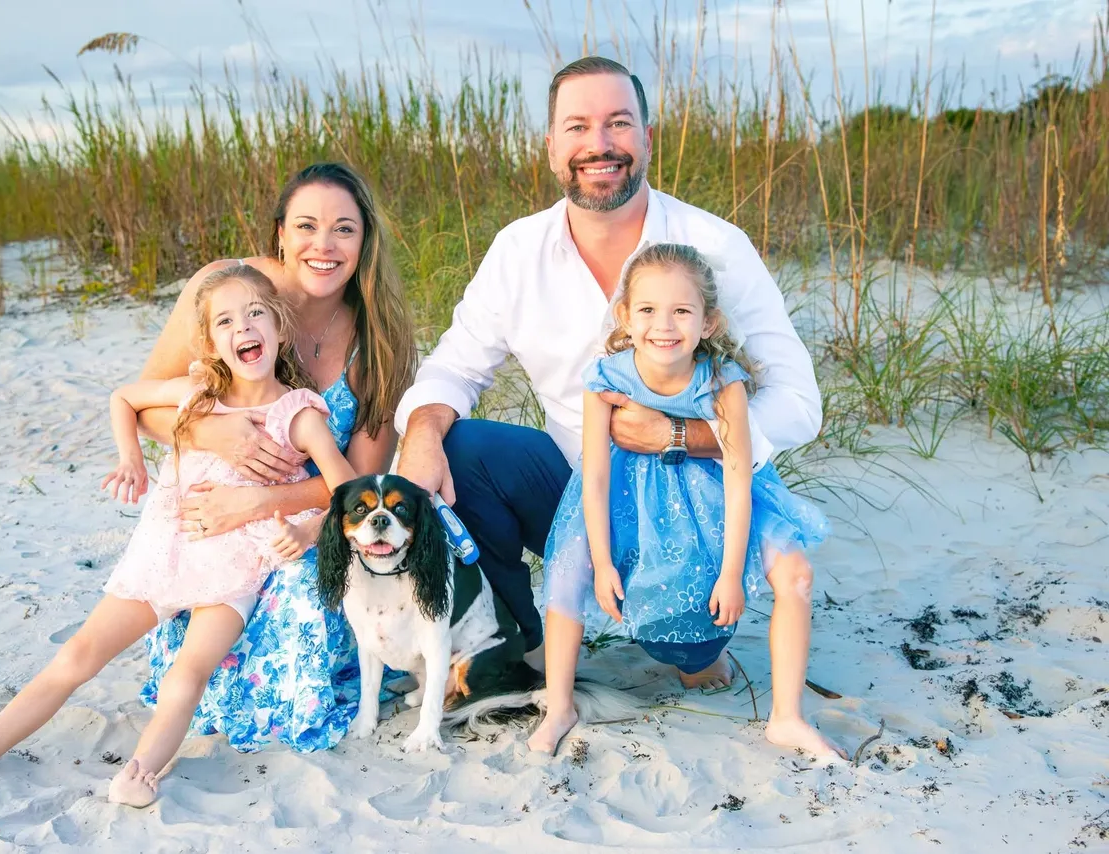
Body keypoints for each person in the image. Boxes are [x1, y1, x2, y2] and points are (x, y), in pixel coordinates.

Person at [394, 57, 833, 754]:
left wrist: (682, 434)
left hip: (692, 507)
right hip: (575, 495)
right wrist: (421, 430)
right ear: (551, 146)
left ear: (647, 137)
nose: (600, 143)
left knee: (683, 655)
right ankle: (526, 645)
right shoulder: (518, 250)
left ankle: (694, 649)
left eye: (618, 123)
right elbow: (454, 364)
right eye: (579, 126)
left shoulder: (713, 246)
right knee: (461, 446)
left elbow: (800, 401)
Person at [0, 265, 357, 806]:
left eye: (256, 313)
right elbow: (124, 398)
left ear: (280, 328)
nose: (244, 327)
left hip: (232, 567)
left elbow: (347, 488)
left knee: (187, 675)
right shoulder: (197, 394)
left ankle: (138, 773)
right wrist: (131, 460)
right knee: (77, 654)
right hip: (162, 552)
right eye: (227, 320)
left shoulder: (296, 413)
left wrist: (308, 528)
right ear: (213, 342)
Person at [136, 162, 416, 752]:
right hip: (217, 515)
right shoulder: (229, 293)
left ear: (364, 241)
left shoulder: (379, 338)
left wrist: (263, 501)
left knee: (301, 589)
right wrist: (212, 435)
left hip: (311, 523)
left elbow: (361, 484)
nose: (323, 245)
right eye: (306, 226)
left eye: (344, 229)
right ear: (280, 235)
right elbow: (145, 406)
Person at [537, 243, 833, 755]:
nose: (664, 325)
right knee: (567, 568)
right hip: (630, 493)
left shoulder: (722, 383)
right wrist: (603, 562)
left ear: (708, 322)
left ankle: (786, 717)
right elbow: (596, 479)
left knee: (796, 575)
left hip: (717, 493)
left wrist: (730, 572)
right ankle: (559, 703)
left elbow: (740, 481)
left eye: (681, 311)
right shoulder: (606, 379)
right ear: (626, 316)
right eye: (648, 309)